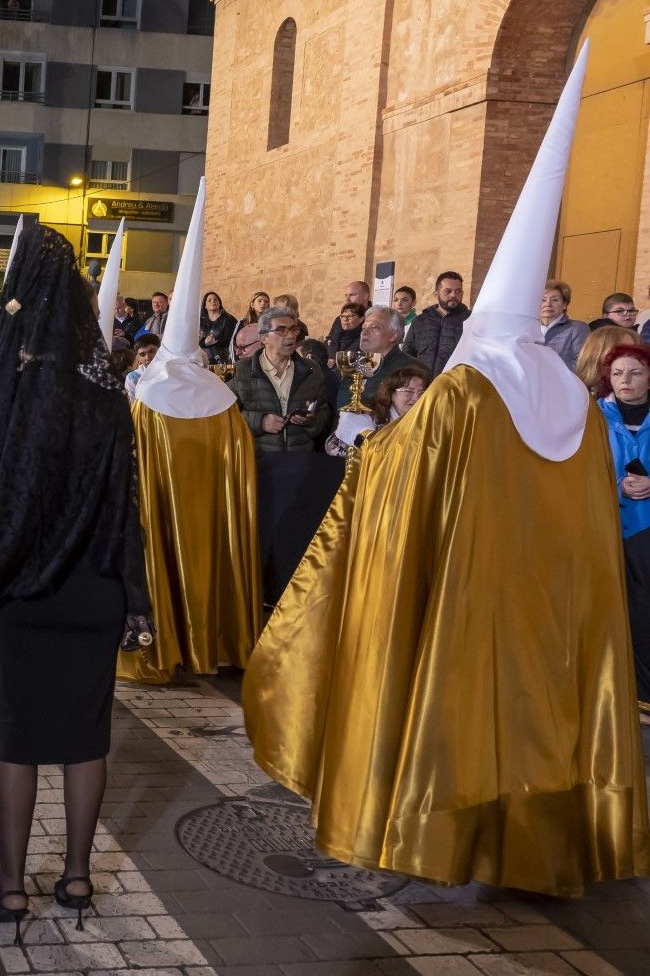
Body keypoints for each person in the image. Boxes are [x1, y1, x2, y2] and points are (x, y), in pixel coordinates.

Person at [243, 47, 650, 896]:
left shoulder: (468, 389)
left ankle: (442, 837)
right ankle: (538, 847)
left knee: (457, 711)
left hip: (469, 593)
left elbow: (401, 473)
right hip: (549, 605)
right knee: (540, 712)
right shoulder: (570, 398)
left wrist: (368, 450)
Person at [0, 222, 149, 944]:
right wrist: (133, 596)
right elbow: (125, 506)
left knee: (18, 741)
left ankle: (13, 886)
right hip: (93, 591)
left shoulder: (3, 388)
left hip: (22, 591)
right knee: (87, 739)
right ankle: (77, 877)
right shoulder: (108, 392)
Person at [120, 180, 261, 686]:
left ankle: (169, 641)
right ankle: (217, 640)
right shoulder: (223, 401)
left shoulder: (149, 399)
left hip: (163, 522)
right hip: (213, 523)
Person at [595, 344, 650, 719]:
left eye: (635, 373)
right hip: (605, 524)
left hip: (646, 529)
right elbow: (578, 469)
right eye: (617, 374)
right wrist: (616, 484)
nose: (625, 380)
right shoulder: (593, 417)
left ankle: (644, 697)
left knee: (644, 614)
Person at [229, 306, 329, 453]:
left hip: (301, 460)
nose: (290, 336)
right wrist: (260, 422)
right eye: (282, 330)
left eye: (294, 329)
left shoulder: (311, 370)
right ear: (263, 338)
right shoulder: (241, 370)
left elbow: (324, 412)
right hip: (258, 462)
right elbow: (227, 416)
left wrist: (311, 421)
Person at [335, 305, 412, 409]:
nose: (365, 332)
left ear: (394, 335)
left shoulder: (411, 370)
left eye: (374, 327)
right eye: (364, 327)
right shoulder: (353, 364)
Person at [404, 271, 469, 374]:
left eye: (458, 291)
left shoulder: (470, 321)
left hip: (453, 385)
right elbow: (407, 355)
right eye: (448, 291)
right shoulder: (420, 321)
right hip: (421, 386)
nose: (453, 295)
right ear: (436, 294)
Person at [538, 278, 590, 370]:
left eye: (554, 300)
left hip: (562, 382)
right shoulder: (528, 329)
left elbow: (581, 363)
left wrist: (548, 374)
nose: (548, 304)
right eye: (543, 300)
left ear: (565, 304)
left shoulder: (577, 328)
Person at [577, 325, 639, 393]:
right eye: (622, 351)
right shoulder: (577, 394)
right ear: (598, 354)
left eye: (634, 350)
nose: (631, 356)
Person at [324, 281, 370, 354]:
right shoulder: (339, 318)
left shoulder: (374, 318)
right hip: (337, 361)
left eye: (352, 295)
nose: (347, 300)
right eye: (346, 295)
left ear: (365, 296)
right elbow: (329, 338)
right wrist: (329, 342)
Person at [199, 290, 237, 366]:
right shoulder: (200, 321)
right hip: (203, 360)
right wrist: (204, 343)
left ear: (219, 303)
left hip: (224, 360)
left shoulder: (228, 319)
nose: (213, 301)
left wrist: (215, 340)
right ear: (205, 306)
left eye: (215, 299)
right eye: (209, 300)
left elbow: (232, 339)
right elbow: (195, 341)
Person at [232, 291, 270, 360]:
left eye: (266, 301)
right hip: (247, 361)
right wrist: (235, 363)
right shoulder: (242, 323)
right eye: (259, 301)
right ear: (252, 304)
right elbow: (233, 345)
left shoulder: (271, 323)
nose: (263, 303)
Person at [123, 332, 160, 398]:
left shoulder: (172, 371)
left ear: (160, 350)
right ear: (138, 357)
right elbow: (133, 405)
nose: (147, 358)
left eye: (151, 351)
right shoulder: (132, 378)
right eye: (142, 354)